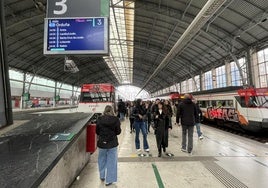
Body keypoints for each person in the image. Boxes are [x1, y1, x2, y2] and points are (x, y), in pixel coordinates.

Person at [96, 105, 121, 186]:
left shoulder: (99, 119)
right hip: (112, 143)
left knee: (101, 159)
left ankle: (102, 175)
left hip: (102, 143)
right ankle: (109, 180)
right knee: (112, 161)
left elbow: (97, 131)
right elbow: (118, 132)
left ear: (104, 110)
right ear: (112, 110)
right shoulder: (116, 119)